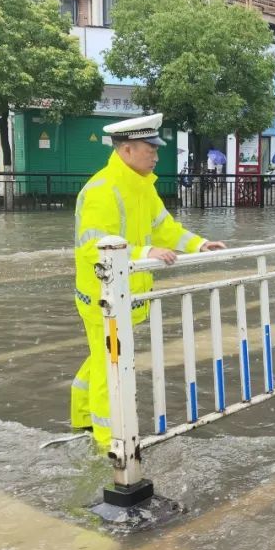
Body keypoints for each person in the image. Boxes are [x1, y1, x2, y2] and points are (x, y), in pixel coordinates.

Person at [72, 113, 226, 449]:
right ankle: (108, 443)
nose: (156, 155)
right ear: (126, 150)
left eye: (156, 149)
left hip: (127, 293)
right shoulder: (103, 190)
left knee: (102, 357)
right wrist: (146, 252)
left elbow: (164, 228)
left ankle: (83, 415)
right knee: (108, 366)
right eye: (149, 149)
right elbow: (92, 247)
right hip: (103, 296)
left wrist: (198, 243)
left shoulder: (142, 186)